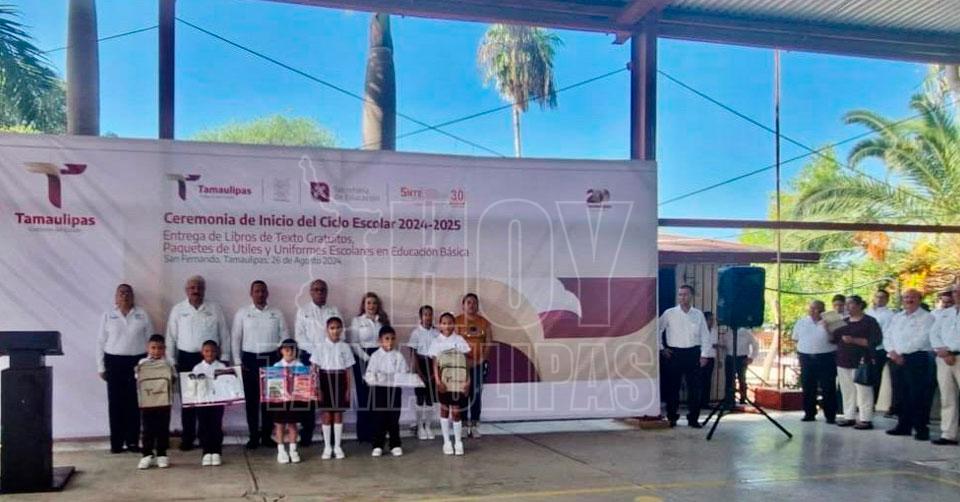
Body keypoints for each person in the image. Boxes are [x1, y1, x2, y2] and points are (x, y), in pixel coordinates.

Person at [165, 275, 230, 451]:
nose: (196, 291)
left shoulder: (215, 308)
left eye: (199, 287)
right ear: (186, 290)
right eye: (192, 288)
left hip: (209, 359)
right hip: (185, 359)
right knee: (188, 401)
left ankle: (205, 437)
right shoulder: (178, 309)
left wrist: (225, 357)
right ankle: (188, 437)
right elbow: (170, 337)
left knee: (208, 400)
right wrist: (172, 360)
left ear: (204, 290)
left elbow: (224, 334)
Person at [98, 284, 154, 453]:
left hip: (137, 362)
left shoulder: (142, 314)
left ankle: (132, 442)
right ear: (116, 297)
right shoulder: (108, 315)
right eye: (121, 293)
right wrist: (101, 366)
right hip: (114, 362)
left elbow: (151, 340)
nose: (125, 295)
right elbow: (100, 342)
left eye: (128, 293)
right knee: (115, 403)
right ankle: (116, 443)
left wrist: (149, 363)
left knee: (134, 403)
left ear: (133, 296)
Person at [232, 280, 288, 450]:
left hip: (272, 359)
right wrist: (237, 361)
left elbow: (285, 335)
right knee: (252, 401)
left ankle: (266, 436)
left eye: (263, 291)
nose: (260, 294)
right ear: (251, 294)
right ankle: (253, 437)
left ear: (267, 293)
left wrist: (283, 359)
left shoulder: (277, 313)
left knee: (270, 400)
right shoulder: (243, 313)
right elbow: (236, 338)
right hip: (250, 359)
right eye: (257, 291)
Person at [658, 285, 714, 428]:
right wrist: (662, 348)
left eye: (685, 294)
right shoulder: (669, 313)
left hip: (693, 353)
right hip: (674, 354)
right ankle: (672, 417)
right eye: (680, 294)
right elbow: (657, 330)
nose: (682, 297)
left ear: (691, 296)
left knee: (695, 388)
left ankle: (693, 418)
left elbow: (705, 336)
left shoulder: (698, 314)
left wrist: (704, 355)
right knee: (673, 388)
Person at [294, 279, 340, 446]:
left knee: (330, 396)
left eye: (322, 290)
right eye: (316, 290)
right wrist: (317, 352)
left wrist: (328, 351)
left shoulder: (334, 310)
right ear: (311, 292)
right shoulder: (303, 311)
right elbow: (299, 336)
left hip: (331, 358)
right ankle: (306, 435)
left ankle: (331, 435)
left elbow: (340, 332)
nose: (319, 292)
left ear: (326, 292)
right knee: (308, 398)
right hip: (309, 357)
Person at [885, 289, 936, 440]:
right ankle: (903, 426)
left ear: (920, 299)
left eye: (912, 297)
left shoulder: (927, 317)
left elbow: (923, 338)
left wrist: (901, 352)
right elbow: (888, 335)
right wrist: (892, 352)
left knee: (917, 394)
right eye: (906, 297)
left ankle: (921, 428)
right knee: (900, 393)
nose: (909, 300)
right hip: (896, 358)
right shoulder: (897, 317)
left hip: (916, 358)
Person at [833, 295, 882, 430]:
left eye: (850, 304)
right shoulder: (844, 321)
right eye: (846, 304)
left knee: (863, 390)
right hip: (843, 359)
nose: (847, 307)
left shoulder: (869, 321)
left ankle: (866, 418)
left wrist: (854, 340)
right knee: (847, 390)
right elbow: (834, 339)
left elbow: (875, 341)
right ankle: (849, 416)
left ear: (860, 305)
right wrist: (828, 328)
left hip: (861, 360)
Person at [311, 316, 355, 460]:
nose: (335, 331)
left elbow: (348, 370)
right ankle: (327, 447)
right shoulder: (320, 347)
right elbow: (314, 369)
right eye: (332, 328)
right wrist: (317, 387)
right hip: (324, 380)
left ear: (342, 330)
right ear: (327, 330)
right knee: (326, 414)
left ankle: (337, 446)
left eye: (338, 328)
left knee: (338, 414)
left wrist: (348, 389)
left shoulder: (345, 347)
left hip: (340, 380)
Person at [348, 292, 389, 443]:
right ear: (363, 305)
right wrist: (367, 358)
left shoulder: (382, 321)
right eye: (368, 303)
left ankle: (378, 433)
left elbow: (387, 341)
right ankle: (364, 434)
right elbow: (353, 343)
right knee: (364, 396)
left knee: (378, 396)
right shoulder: (357, 321)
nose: (371, 306)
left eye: (374, 303)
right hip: (362, 359)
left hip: (380, 358)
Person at [365, 325, 411, 457]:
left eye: (392, 339)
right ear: (380, 340)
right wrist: (377, 378)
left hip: (394, 390)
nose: (390, 342)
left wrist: (396, 378)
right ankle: (377, 445)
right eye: (386, 338)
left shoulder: (398, 356)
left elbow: (404, 373)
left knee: (393, 418)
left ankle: (395, 444)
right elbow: (369, 374)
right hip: (379, 391)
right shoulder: (375, 356)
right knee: (379, 418)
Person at [431, 312, 471, 456]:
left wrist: (468, 381)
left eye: (450, 323)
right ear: (440, 325)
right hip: (444, 382)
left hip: (458, 383)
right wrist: (438, 381)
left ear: (454, 324)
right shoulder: (436, 342)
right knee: (444, 410)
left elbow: (466, 362)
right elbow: (435, 364)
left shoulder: (459, 340)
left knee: (456, 411)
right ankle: (447, 441)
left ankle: (458, 442)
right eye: (444, 323)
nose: (447, 326)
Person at [792, 300, 838, 423]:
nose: (815, 311)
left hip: (826, 357)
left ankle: (830, 415)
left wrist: (827, 328)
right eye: (812, 308)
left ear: (823, 310)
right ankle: (809, 413)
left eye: (818, 309)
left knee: (828, 386)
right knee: (808, 386)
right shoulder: (801, 322)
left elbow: (836, 339)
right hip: (806, 358)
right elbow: (795, 338)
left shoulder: (831, 321)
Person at [456, 293, 492, 438]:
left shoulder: (484, 323)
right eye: (469, 302)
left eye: (474, 303)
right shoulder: (456, 322)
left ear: (477, 305)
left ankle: (475, 425)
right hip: (461, 365)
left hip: (479, 364)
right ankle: (464, 425)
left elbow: (488, 343)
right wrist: (465, 361)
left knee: (476, 394)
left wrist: (480, 360)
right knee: (463, 394)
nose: (472, 305)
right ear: (463, 305)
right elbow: (453, 343)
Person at [136, 334, 175, 469]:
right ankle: (146, 454)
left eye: (160, 348)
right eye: (153, 348)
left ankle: (162, 454)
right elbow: (138, 380)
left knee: (162, 428)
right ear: (148, 348)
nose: (156, 351)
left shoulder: (168, 363)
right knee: (147, 429)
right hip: (147, 403)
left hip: (164, 402)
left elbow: (173, 379)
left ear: (164, 349)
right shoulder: (142, 363)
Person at [929, 285, 960, 446]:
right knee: (947, 397)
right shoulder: (945, 313)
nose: (957, 294)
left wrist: (951, 351)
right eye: (955, 291)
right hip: (943, 359)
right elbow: (934, 333)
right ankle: (948, 434)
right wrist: (943, 350)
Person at [271, 339, 307, 463]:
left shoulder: (300, 366)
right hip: (280, 401)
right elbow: (272, 387)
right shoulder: (276, 366)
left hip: (294, 400)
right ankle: (281, 451)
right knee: (279, 424)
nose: (289, 352)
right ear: (281, 351)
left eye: (292, 349)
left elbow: (304, 385)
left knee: (293, 424)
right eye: (286, 349)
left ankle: (293, 450)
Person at [191, 340, 226, 466]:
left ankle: (216, 452)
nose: (209, 353)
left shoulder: (222, 367)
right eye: (206, 351)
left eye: (212, 351)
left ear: (217, 352)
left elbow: (226, 384)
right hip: (202, 403)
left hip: (217, 402)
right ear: (202, 352)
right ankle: (206, 452)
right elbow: (192, 386)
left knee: (216, 425)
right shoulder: (197, 368)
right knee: (203, 426)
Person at [408, 305, 440, 440]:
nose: (428, 317)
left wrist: (435, 371)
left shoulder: (436, 333)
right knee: (420, 398)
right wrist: (418, 371)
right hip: (420, 366)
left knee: (431, 398)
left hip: (433, 365)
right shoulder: (416, 333)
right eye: (425, 314)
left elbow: (439, 353)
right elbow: (413, 353)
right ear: (421, 317)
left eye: (430, 314)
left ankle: (428, 426)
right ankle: (420, 426)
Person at [865, 289, 896, 411]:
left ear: (887, 299)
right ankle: (864, 403)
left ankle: (873, 403)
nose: (879, 299)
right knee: (864, 375)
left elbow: (886, 332)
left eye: (882, 297)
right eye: (877, 296)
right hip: (865, 347)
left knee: (876, 376)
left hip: (880, 348)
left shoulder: (890, 315)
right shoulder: (868, 312)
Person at [721, 326, 758, 405]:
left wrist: (751, 357)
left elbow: (755, 344)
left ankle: (743, 398)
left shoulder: (746, 332)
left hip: (742, 358)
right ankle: (730, 399)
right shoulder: (728, 332)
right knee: (729, 379)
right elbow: (723, 344)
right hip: (730, 357)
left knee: (742, 379)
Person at [699, 312, 719, 409]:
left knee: (707, 381)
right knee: (699, 380)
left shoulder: (714, 331)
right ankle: (697, 403)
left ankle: (705, 402)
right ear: (705, 320)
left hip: (711, 357)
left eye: (713, 319)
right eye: (710, 319)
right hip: (701, 357)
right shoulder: (700, 329)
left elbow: (714, 344)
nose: (712, 321)